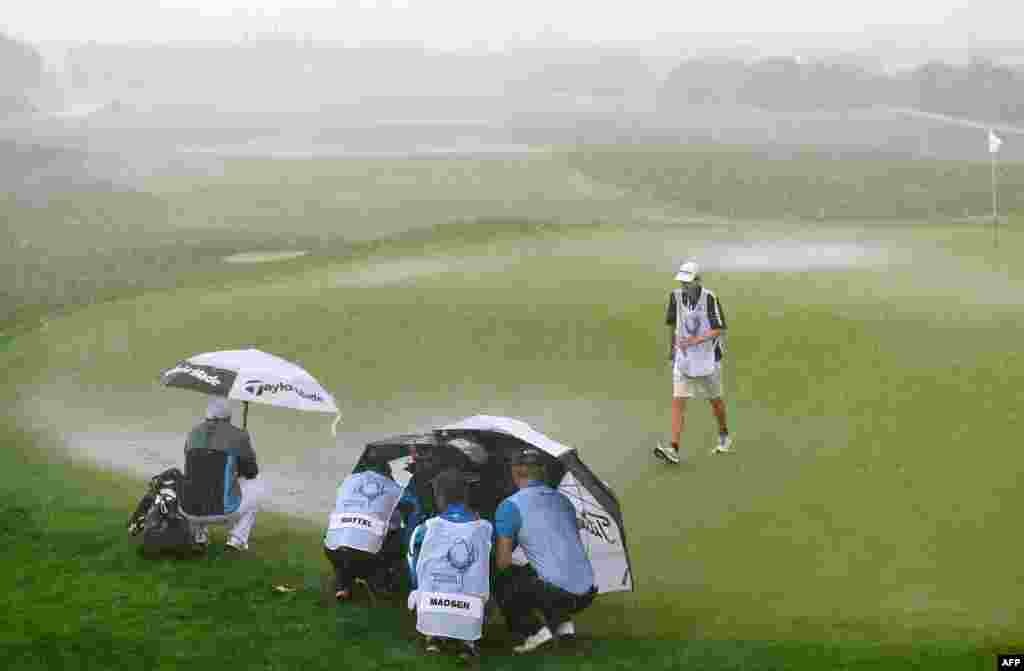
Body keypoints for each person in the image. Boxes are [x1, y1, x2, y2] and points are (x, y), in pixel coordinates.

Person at [493, 448, 597, 654]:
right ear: (542, 471)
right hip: (586, 591)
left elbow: (503, 562)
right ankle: (566, 633)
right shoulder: (563, 501)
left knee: (502, 577)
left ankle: (535, 633)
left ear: (515, 472)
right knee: (541, 572)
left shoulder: (510, 506)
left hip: (557, 593)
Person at [407, 468, 493, 664]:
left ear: (439, 496)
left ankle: (433, 638)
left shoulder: (424, 528)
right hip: (471, 607)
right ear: (466, 495)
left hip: (430, 605)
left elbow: (413, 569)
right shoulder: (486, 528)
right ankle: (467, 644)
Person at [654, 260, 731, 465]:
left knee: (715, 401)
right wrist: (672, 350)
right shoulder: (675, 297)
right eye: (682, 282)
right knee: (678, 401)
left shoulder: (709, 298)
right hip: (684, 358)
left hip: (708, 358)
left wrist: (695, 341)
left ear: (698, 281)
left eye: (688, 282)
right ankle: (674, 448)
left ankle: (723, 433)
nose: (684, 286)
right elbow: (673, 325)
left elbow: (719, 328)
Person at [182, 397, 264, 551]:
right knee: (256, 486)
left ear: (207, 415)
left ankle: (200, 535)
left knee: (199, 478)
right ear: (228, 417)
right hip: (224, 511)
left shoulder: (192, 433)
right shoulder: (239, 435)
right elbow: (251, 471)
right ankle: (236, 540)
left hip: (190, 511)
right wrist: (245, 444)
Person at [323, 460, 405, 601]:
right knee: (398, 535)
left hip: (332, 550)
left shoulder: (348, 482)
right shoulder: (395, 489)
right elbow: (395, 524)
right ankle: (379, 582)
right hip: (367, 555)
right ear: (388, 474)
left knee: (345, 538)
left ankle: (344, 586)